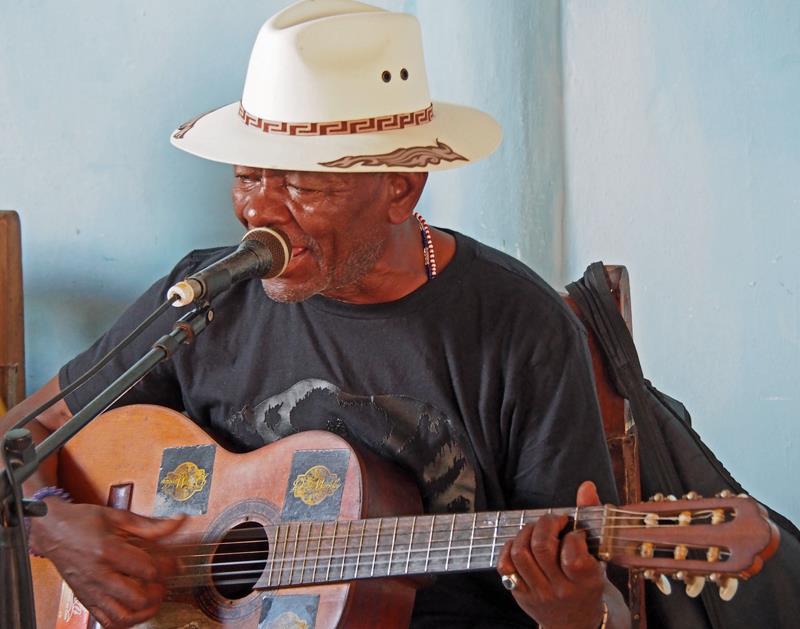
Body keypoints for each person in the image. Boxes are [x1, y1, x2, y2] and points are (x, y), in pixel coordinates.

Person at [2, 1, 630, 627]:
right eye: (249, 178)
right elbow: (20, 437)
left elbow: (605, 605)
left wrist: (574, 612)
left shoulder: (524, 332)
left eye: (302, 186)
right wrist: (54, 524)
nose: (260, 214)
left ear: (400, 187)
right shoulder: (207, 295)